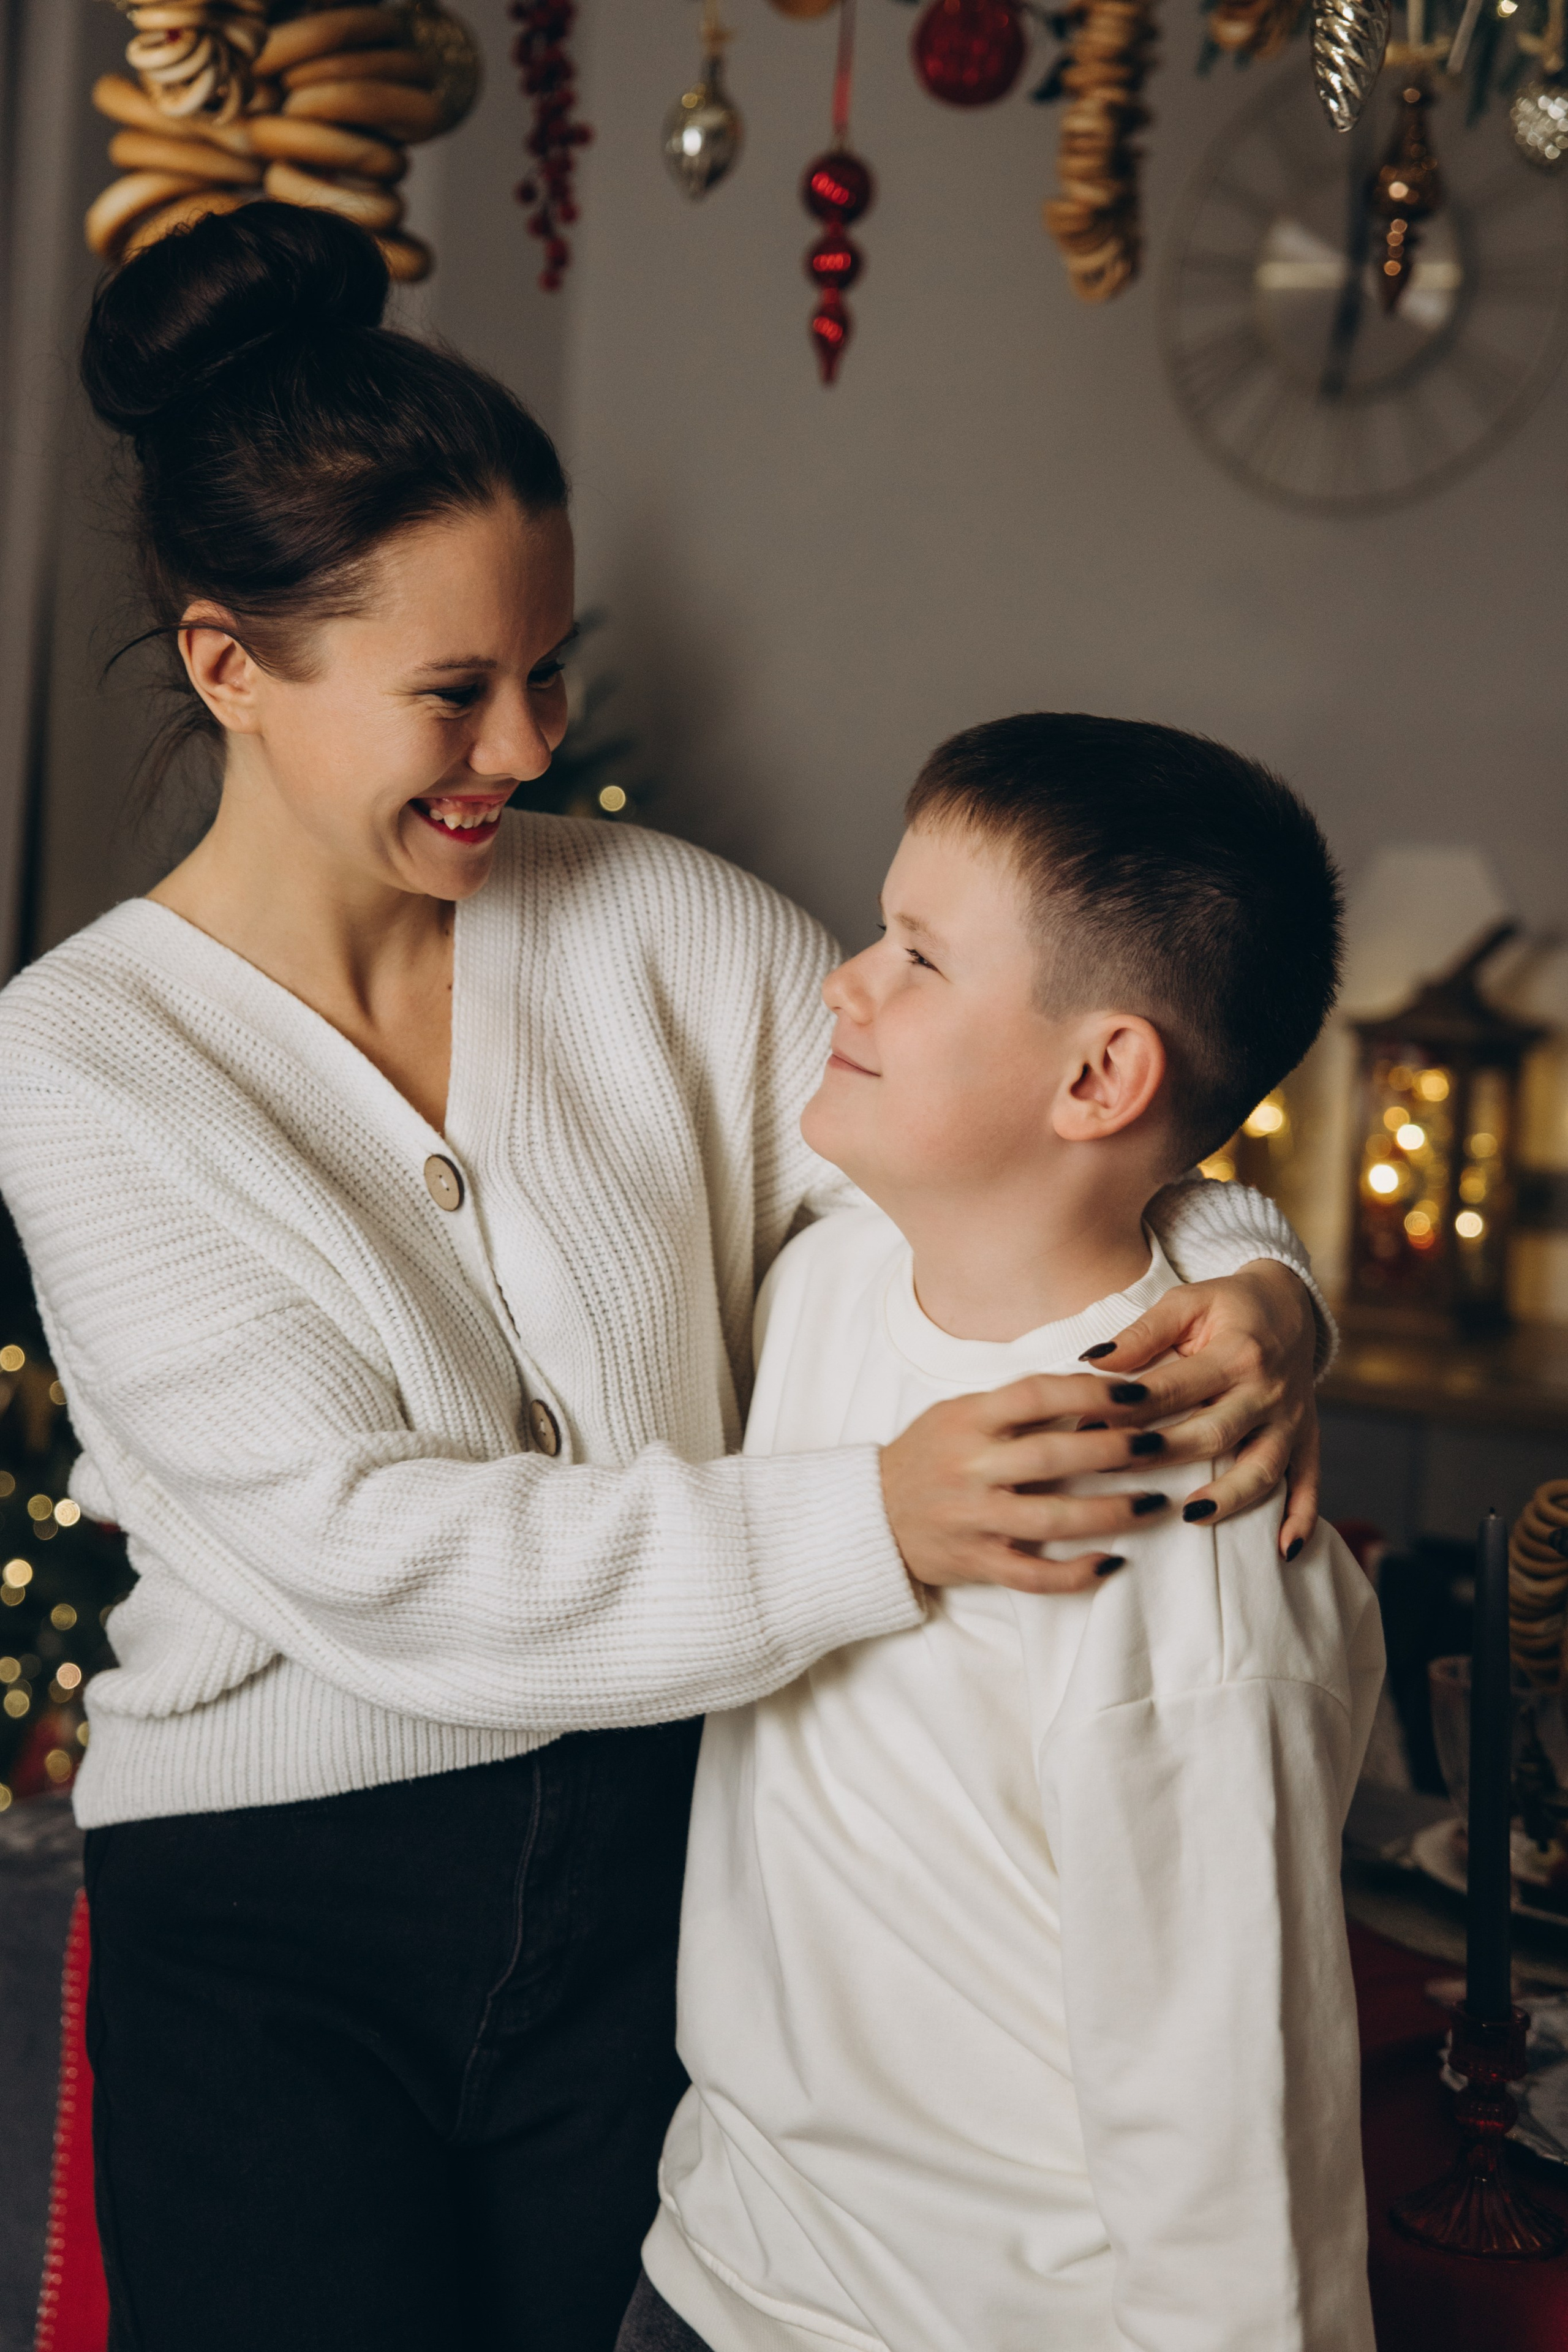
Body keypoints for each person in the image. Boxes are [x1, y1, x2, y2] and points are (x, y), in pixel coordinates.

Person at [0, 208, 1329, 2352]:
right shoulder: (77, 1066)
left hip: (656, 1865)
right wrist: (865, 1519)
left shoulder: (649, 918)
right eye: (453, 692)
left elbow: (991, 1140)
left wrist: (1259, 1280)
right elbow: (374, 1551)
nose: (524, 751)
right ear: (231, 665)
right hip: (279, 1930)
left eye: (548, 674)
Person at [625, 716, 1384, 2352]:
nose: (843, 980)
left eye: (916, 956)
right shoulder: (829, 1278)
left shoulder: (1192, 1522)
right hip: (713, 2270)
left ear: (1101, 1074)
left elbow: (1234, 2119)